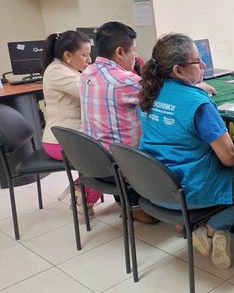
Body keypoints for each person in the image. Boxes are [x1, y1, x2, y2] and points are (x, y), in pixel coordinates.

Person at [138, 33, 234, 269]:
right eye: (197, 61)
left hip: (153, 188)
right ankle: (212, 227)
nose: (203, 65)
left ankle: (198, 227)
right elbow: (229, 158)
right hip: (189, 191)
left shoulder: (150, 92)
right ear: (178, 71)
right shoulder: (198, 103)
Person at [80, 21, 157, 224]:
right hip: (122, 163)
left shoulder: (87, 72)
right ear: (120, 52)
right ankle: (137, 203)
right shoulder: (125, 81)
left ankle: (127, 200)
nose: (136, 55)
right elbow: (166, 96)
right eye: (134, 50)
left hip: (93, 159)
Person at [41, 30, 102, 213]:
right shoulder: (57, 72)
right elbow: (89, 92)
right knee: (108, 155)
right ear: (68, 55)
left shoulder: (67, 69)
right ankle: (83, 193)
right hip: (60, 142)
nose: (89, 60)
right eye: (84, 55)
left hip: (73, 137)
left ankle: (82, 188)